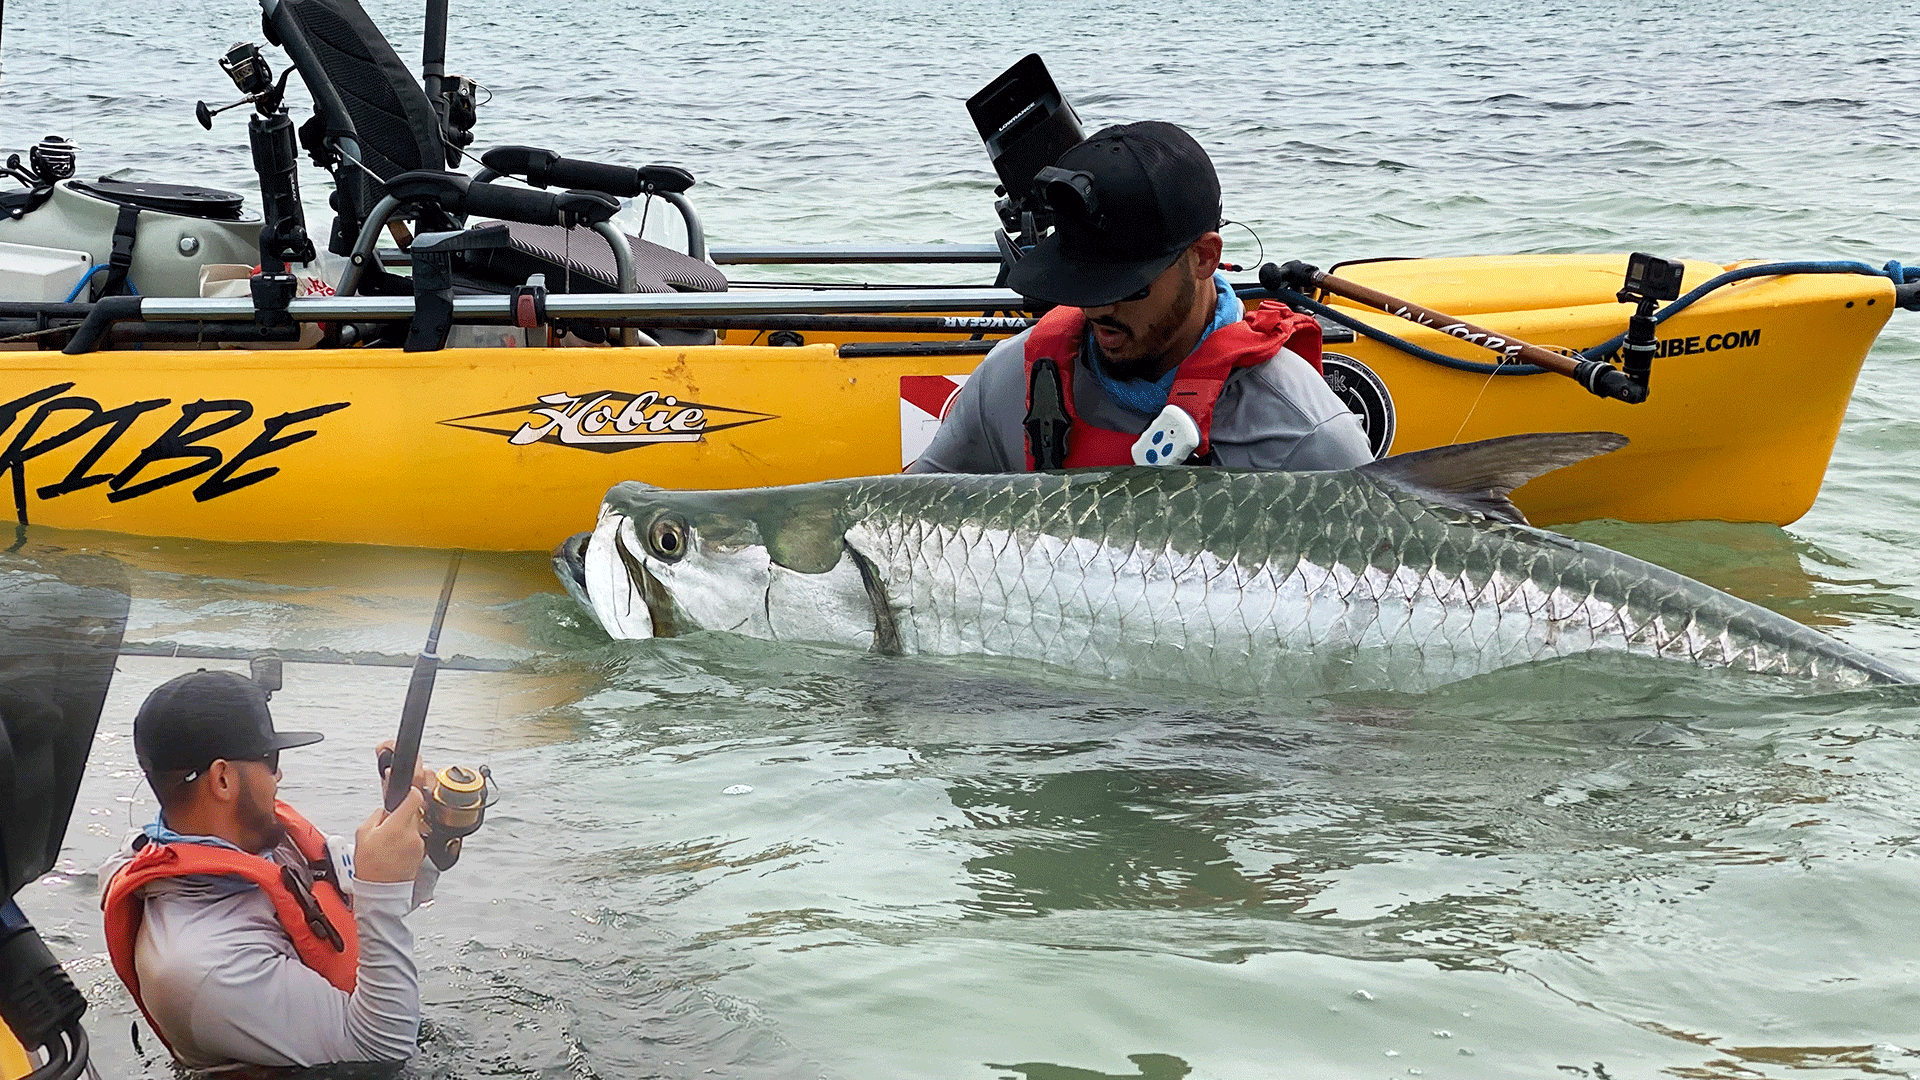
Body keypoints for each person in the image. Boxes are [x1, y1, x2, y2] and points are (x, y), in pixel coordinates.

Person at [910, 121, 1374, 474]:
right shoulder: (1009, 385)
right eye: (1082, 284)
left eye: (1124, 287)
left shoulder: (1307, 439)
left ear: (1203, 259)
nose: (1096, 310)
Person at [99, 668, 440, 1068]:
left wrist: (429, 827)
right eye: (270, 759)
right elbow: (382, 1050)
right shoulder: (201, 967)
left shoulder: (263, 841)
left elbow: (372, 899)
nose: (279, 774)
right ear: (222, 779)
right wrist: (381, 893)